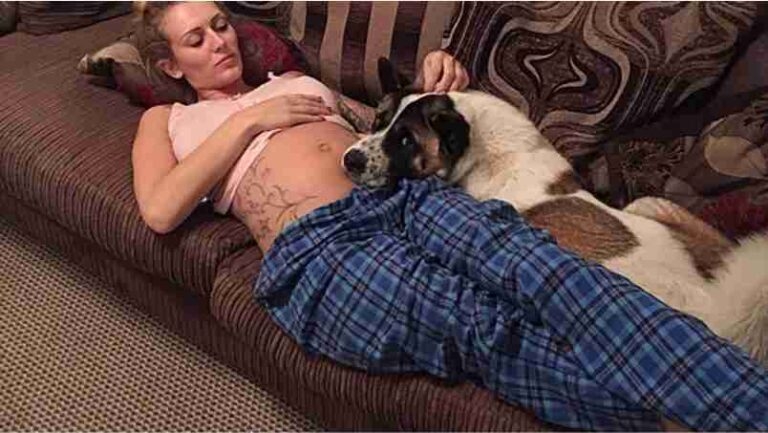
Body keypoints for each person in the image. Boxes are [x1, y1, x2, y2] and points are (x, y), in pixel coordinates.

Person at [131, 2, 768, 431]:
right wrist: (248, 122)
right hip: (323, 245)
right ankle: (693, 420)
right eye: (197, 39)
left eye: (221, 24)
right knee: (487, 330)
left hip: (406, 198)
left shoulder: (293, 82)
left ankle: (749, 398)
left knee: (552, 273)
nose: (220, 41)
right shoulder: (169, 120)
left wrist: (430, 86)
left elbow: (385, 133)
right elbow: (160, 210)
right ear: (170, 66)